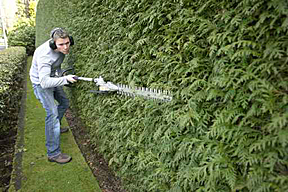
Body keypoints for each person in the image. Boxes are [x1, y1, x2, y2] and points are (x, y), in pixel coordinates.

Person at [29, 28, 77, 164]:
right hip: (41, 84)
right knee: (52, 114)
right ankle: (53, 153)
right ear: (53, 43)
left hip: (52, 78)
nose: (66, 47)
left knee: (64, 103)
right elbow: (44, 82)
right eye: (61, 44)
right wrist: (65, 79)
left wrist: (61, 76)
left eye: (67, 43)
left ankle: (55, 128)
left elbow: (57, 67)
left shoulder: (63, 50)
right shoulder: (45, 56)